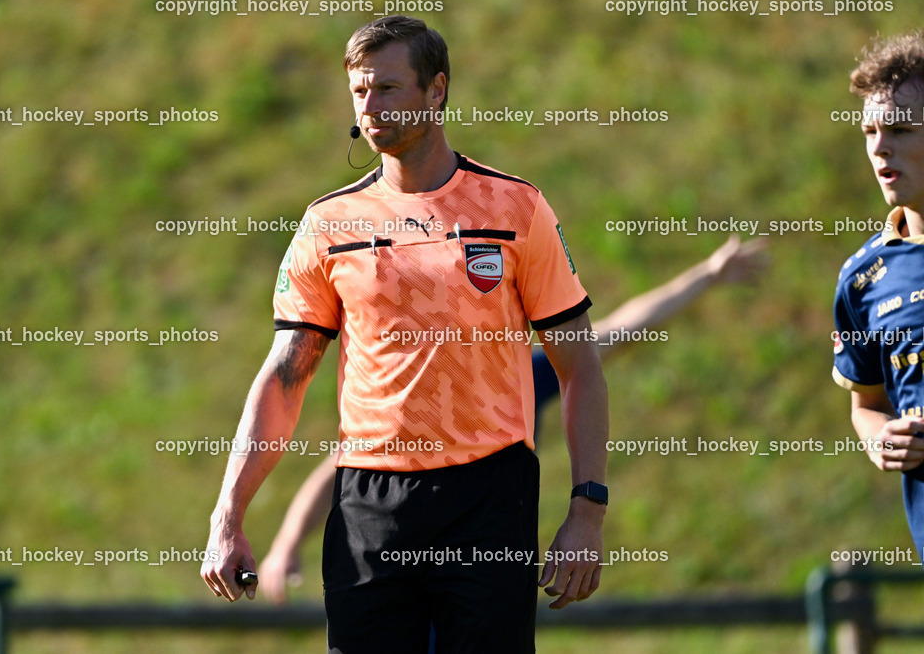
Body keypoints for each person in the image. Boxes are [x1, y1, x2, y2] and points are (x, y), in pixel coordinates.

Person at [201, 15, 609, 653]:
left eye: (388, 88)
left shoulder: (515, 209)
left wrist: (587, 511)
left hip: (488, 494)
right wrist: (228, 514)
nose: (371, 108)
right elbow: (283, 378)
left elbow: (579, 368)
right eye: (360, 92)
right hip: (369, 500)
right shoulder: (327, 224)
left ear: (436, 90)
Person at [260, 235, 768, 604]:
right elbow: (340, 468)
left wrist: (707, 275)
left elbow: (622, 329)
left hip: (485, 556)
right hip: (403, 561)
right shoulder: (423, 389)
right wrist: (286, 544)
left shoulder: (526, 373)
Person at [832, 28, 924, 560]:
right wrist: (881, 439)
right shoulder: (864, 277)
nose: (879, 146)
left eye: (901, 128)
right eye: (870, 131)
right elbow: (866, 405)